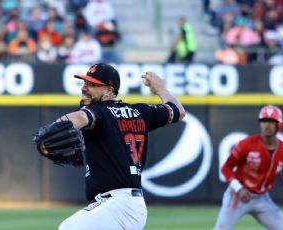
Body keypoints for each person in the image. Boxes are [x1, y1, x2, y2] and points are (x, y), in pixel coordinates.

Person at [54, 63, 186, 230]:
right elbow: (178, 111)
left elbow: (80, 118)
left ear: (109, 91)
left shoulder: (99, 111)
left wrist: (54, 127)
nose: (84, 88)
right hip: (123, 205)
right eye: (85, 83)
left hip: (118, 204)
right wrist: (161, 89)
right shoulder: (140, 112)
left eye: (92, 85)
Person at [214, 105, 283, 230]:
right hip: (238, 195)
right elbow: (226, 168)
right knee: (221, 228)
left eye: (271, 121)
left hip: (262, 198)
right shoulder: (246, 144)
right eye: (264, 121)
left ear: (279, 125)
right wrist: (239, 189)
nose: (267, 125)